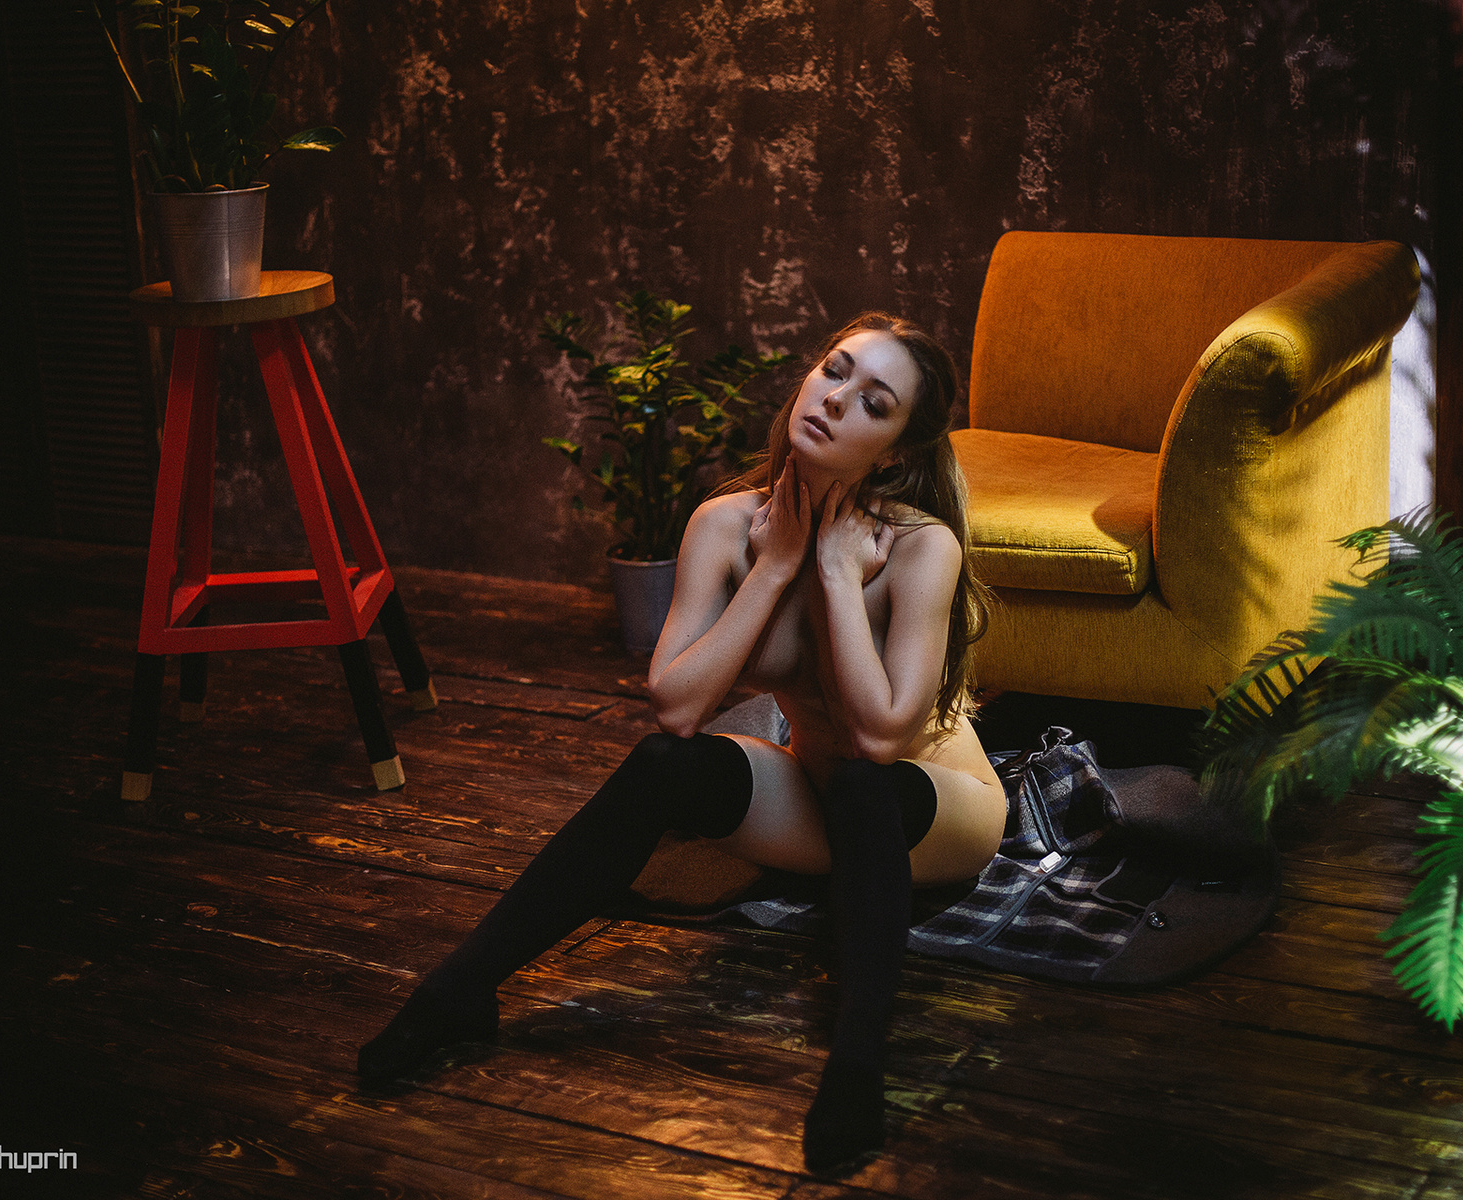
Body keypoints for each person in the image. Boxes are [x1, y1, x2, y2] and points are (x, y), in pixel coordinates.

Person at [357, 312, 1006, 1174]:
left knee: (860, 778)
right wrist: (777, 564)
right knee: (664, 765)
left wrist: (837, 574)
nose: (834, 399)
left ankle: (858, 1066)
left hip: (936, 810)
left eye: (873, 402)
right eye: (834, 371)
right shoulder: (726, 525)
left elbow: (882, 736)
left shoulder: (920, 547)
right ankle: (458, 991)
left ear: (892, 454)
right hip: (816, 800)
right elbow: (676, 706)